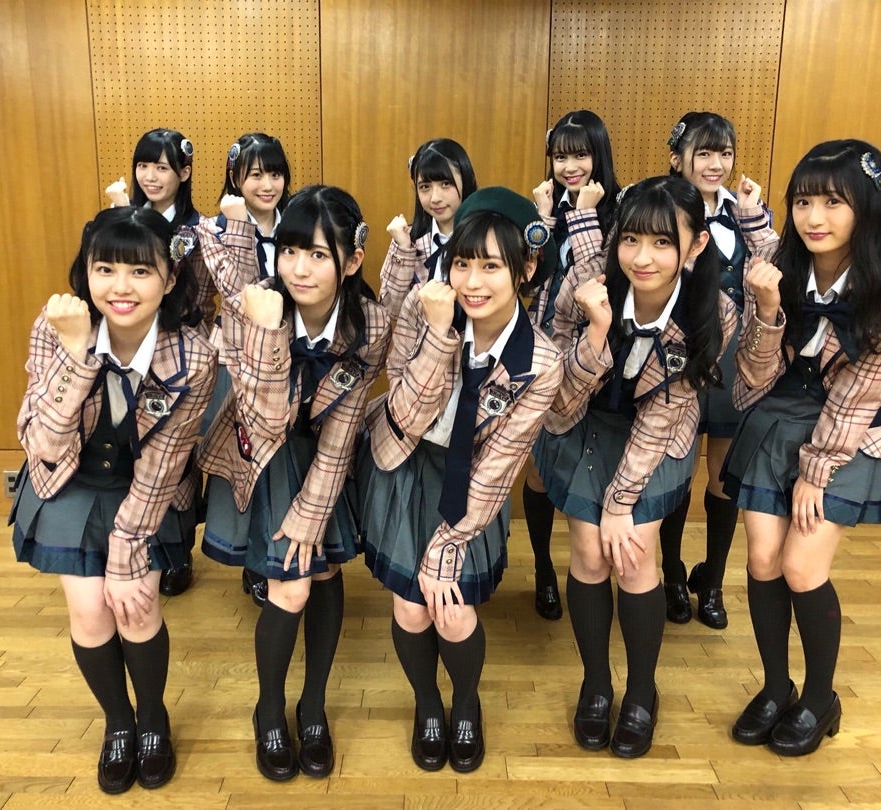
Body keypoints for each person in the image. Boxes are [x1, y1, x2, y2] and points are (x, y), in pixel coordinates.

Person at [723, 140, 881, 756]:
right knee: (763, 559)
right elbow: (753, 377)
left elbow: (863, 388)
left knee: (802, 566)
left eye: (834, 202)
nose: (814, 217)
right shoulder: (774, 264)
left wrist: (817, 470)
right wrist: (767, 310)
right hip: (778, 411)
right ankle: (776, 687)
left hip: (850, 427)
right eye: (804, 201)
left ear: (868, 206)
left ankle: (819, 697)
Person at [10, 206, 215, 793]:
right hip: (70, 480)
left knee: (137, 606)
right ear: (86, 273)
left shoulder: (193, 355)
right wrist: (77, 355)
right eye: (105, 269)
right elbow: (43, 442)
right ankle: (118, 721)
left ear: (169, 280)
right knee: (90, 611)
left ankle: (153, 719)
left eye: (140, 271)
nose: (120, 287)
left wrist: (127, 554)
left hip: (145, 488)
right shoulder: (55, 327)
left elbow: (163, 464)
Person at [359, 187, 563, 773]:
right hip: (408, 464)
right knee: (411, 610)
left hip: (475, 487)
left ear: (524, 270)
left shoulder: (540, 362)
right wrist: (439, 336)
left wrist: (447, 548)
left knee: (453, 611)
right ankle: (427, 703)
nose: (473, 282)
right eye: (463, 263)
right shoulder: (423, 312)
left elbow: (499, 465)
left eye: (491, 266)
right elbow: (404, 412)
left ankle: (466, 701)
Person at [535, 176, 736, 758]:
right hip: (583, 422)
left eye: (662, 243)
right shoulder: (585, 283)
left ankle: (643, 689)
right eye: (631, 240)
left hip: (656, 434)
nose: (642, 258)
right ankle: (596, 683)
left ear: (695, 245)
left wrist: (620, 503)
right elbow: (559, 398)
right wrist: (597, 332)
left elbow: (663, 415)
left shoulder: (712, 310)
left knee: (634, 554)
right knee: (589, 552)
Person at [197, 185, 390, 781]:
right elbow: (264, 419)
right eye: (288, 251)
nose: (298, 269)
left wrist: (313, 509)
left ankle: (313, 706)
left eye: (317, 254)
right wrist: (264, 333)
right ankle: (269, 709)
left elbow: (345, 425)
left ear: (352, 261)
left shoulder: (371, 321)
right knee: (291, 587)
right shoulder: (253, 307)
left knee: (324, 571)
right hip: (266, 448)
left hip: (325, 455)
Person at [657, 111, 773, 628]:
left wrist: (754, 218)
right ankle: (671, 575)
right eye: (703, 153)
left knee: (725, 476)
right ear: (677, 158)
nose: (715, 164)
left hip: (733, 359)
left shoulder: (745, 211)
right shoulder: (660, 207)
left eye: (724, 153)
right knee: (676, 472)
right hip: (677, 354)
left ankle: (713, 582)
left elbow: (777, 269)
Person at [104, 128, 210, 596]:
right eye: (143, 165)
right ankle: (130, 542)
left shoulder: (199, 230)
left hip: (177, 352)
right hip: (125, 347)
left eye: (162, 167)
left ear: (183, 173)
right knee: (130, 447)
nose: (150, 176)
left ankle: (176, 552)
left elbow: (205, 295)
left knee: (174, 455)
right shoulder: (122, 218)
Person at [525, 110, 619, 620]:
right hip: (542, 349)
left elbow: (595, 280)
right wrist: (542, 221)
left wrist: (584, 215)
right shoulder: (544, 208)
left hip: (596, 357)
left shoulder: (620, 208)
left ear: (598, 154)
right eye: (561, 155)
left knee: (590, 469)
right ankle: (543, 567)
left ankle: (588, 569)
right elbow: (524, 277)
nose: (570, 166)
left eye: (580, 154)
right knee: (540, 468)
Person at [203, 133, 294, 605]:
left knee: (280, 466)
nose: (267, 184)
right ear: (235, 177)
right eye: (256, 174)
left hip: (287, 361)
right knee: (244, 466)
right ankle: (252, 560)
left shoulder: (297, 222)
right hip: (235, 365)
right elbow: (238, 293)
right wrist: (239, 226)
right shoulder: (214, 229)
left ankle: (275, 556)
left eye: (274, 173)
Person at [381, 138, 478, 316]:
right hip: (422, 334)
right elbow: (390, 310)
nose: (435, 198)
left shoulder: (486, 237)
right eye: (425, 187)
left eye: (445, 184)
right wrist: (403, 249)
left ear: (466, 180)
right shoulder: (410, 239)